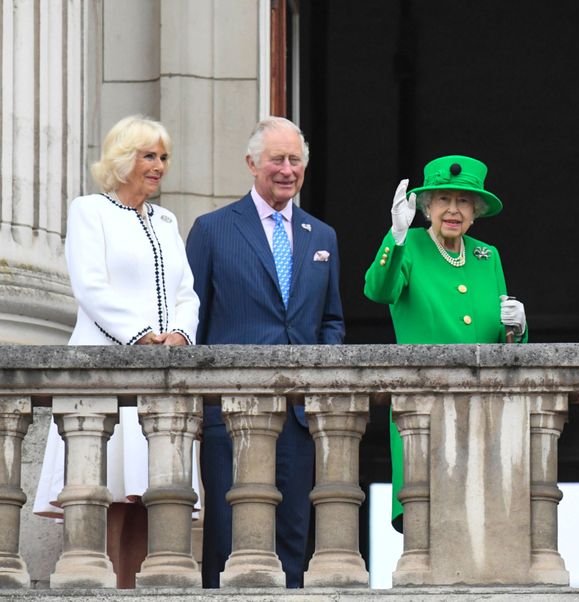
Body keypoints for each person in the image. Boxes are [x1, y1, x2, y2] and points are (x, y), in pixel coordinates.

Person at [33, 115, 199, 588]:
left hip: (161, 375)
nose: (159, 165)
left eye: (163, 157)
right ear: (124, 159)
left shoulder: (167, 220)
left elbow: (186, 292)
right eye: (149, 155)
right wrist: (142, 333)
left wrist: (180, 334)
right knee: (106, 497)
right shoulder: (91, 210)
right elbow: (90, 286)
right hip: (108, 368)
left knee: (154, 499)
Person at [186, 116, 345, 588]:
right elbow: (191, 321)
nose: (287, 169)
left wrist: (319, 373)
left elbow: (331, 321)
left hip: (298, 415)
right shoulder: (212, 230)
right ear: (252, 162)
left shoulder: (323, 236)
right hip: (228, 413)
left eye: (296, 160)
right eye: (277, 158)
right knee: (227, 535)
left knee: (293, 534)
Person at [364, 154, 527, 531]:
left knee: (484, 521)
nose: (453, 210)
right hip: (423, 407)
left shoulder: (488, 257)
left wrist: (519, 328)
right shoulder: (411, 246)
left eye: (464, 201)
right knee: (428, 517)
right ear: (426, 206)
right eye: (443, 200)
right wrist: (396, 237)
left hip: (482, 408)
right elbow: (378, 290)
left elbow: (504, 340)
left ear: (476, 211)